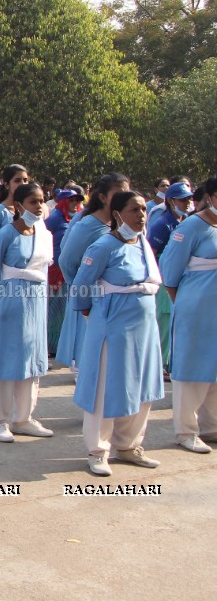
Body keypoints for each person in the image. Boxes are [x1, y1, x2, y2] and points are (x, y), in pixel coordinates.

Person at [70, 191, 164, 476]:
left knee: (141, 385)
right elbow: (82, 286)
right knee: (105, 387)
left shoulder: (143, 244)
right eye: (134, 210)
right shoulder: (103, 246)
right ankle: (98, 450)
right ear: (117, 214)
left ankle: (129, 444)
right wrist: (92, 314)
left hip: (144, 327)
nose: (141, 216)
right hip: (113, 325)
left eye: (143, 210)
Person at [0, 184, 54, 442]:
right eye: (33, 202)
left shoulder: (44, 233)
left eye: (42, 201)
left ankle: (23, 417)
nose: (39, 206)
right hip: (9, 302)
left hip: (36, 301)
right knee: (6, 359)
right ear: (20, 205)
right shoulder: (5, 234)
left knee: (31, 359)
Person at [159, 175, 217, 453]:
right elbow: (169, 271)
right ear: (212, 197)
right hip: (196, 309)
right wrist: (182, 304)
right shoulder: (192, 226)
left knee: (215, 369)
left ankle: (211, 427)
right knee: (192, 368)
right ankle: (186, 430)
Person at [56, 173, 130, 373]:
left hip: (117, 305)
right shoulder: (87, 224)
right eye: (118, 194)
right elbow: (67, 260)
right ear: (103, 197)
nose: (124, 198)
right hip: (93, 302)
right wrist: (82, 290)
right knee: (91, 362)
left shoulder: (122, 225)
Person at [146, 181, 194, 376]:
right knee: (164, 321)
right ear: (171, 201)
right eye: (182, 200)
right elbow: (151, 253)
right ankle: (160, 364)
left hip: (181, 278)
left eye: (189, 199)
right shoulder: (162, 224)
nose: (187, 203)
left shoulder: (184, 222)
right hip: (165, 280)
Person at [44, 187, 85, 355]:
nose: (75, 204)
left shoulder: (76, 219)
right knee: (54, 309)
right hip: (55, 270)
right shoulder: (54, 218)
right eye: (72, 200)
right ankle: (51, 347)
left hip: (69, 270)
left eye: (78, 201)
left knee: (63, 309)